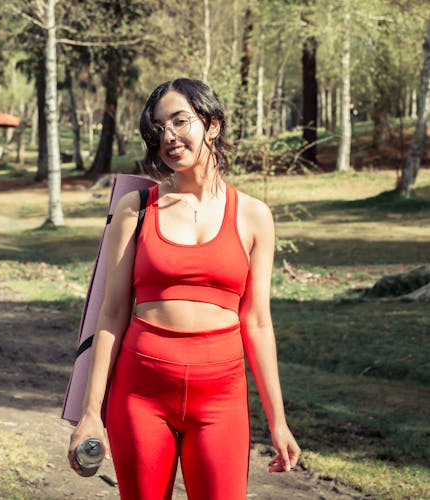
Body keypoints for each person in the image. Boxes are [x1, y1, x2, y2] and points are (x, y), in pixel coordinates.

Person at [67, 78, 300, 500]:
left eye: (180, 121)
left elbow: (258, 322)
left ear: (212, 124)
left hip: (221, 398)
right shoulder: (135, 210)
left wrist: (278, 421)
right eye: (159, 129)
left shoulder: (253, 215)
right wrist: (90, 414)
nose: (169, 137)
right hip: (140, 394)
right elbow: (112, 313)